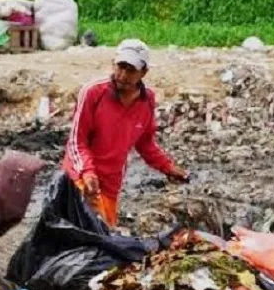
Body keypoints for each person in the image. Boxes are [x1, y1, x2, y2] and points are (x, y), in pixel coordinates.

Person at [61, 39, 188, 227]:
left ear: (143, 72)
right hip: (80, 178)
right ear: (113, 64)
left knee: (105, 236)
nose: (122, 75)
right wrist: (87, 173)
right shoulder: (93, 92)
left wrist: (167, 167)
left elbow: (145, 143)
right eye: (120, 67)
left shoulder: (147, 100)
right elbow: (76, 141)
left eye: (131, 70)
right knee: (83, 234)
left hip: (110, 182)